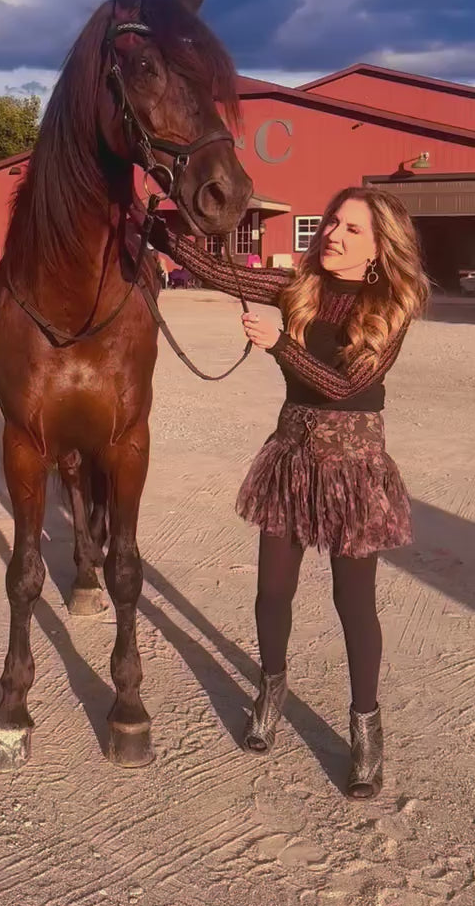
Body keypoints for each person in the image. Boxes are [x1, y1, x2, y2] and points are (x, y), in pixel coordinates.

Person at [148, 186, 430, 798]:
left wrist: (280, 345)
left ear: (380, 249)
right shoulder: (300, 287)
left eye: (353, 230)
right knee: (271, 591)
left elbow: (342, 384)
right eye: (333, 221)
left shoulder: (391, 307)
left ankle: (365, 729)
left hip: (354, 469)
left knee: (353, 603)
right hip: (292, 458)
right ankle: (271, 688)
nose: (333, 233)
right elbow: (221, 271)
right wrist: (162, 232)